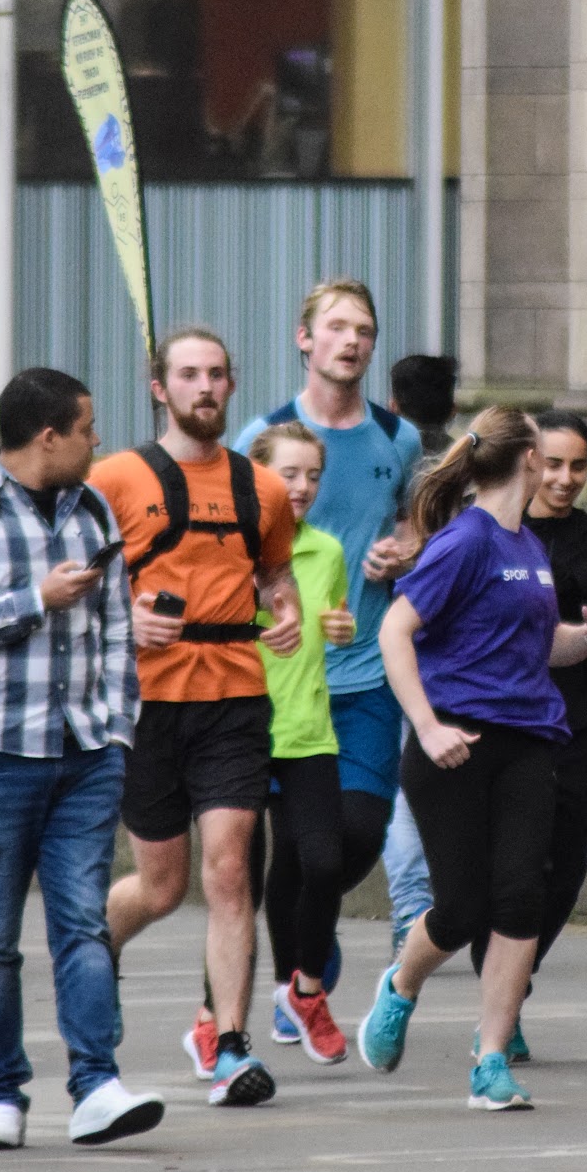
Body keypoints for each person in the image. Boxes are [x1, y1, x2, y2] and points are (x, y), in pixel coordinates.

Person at [0, 368, 163, 1149]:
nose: (98, 442)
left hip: (86, 752)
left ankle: (96, 1086)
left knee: (83, 925)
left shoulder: (92, 511)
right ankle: (1, 1096)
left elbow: (117, 630)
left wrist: (118, 726)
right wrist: (33, 600)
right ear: (47, 438)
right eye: (87, 429)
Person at [357, 406, 587, 1112]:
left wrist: (586, 638)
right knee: (461, 907)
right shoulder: (465, 540)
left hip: (531, 740)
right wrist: (426, 724)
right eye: (547, 453)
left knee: (520, 896)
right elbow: (394, 631)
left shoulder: (527, 545)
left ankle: (492, 1059)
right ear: (528, 460)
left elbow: (539, 647)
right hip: (455, 745)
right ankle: (400, 986)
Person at [90, 327, 302, 1109]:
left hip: (235, 697)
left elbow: (275, 570)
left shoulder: (262, 488)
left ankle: (229, 1045)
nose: (203, 387)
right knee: (159, 886)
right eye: (188, 374)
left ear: (232, 385)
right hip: (148, 703)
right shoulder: (113, 478)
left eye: (215, 374)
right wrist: (125, 622)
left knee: (229, 871)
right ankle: (93, 954)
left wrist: (284, 610)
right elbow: (76, 583)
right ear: (159, 388)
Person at [229, 279, 421, 1049]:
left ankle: (310, 932)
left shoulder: (395, 437)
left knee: (355, 838)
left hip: (366, 671)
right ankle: (296, 984)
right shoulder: (264, 434)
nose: (351, 341)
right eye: (336, 328)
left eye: (364, 330)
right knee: (297, 847)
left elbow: (415, 516)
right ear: (303, 339)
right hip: (282, 682)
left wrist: (405, 544)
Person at [244, 422, 355, 1066]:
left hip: (309, 730)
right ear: (258, 475)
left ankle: (306, 989)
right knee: (241, 884)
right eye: (289, 473)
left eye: (313, 475)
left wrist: (341, 628)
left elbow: (333, 623)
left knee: (323, 864)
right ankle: (219, 1017)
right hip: (241, 730)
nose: (303, 487)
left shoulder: (329, 551)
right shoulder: (232, 552)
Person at [378, 351, 459, 957]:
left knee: (407, 780)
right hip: (456, 637)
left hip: (402, 629)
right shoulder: (467, 457)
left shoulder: (398, 455)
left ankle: (412, 908)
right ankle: (427, 904)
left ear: (395, 401)